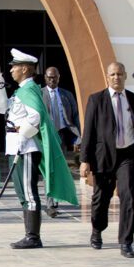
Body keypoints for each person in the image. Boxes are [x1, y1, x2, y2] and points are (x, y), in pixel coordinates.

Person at [0, 48, 77, 249]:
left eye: (14, 67)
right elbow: (2, 109)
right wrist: (0, 88)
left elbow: (36, 116)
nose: (11, 70)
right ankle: (29, 234)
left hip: (27, 148)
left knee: (29, 193)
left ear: (25, 68)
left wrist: (22, 134)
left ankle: (33, 236)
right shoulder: (21, 91)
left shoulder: (29, 90)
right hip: (17, 147)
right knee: (22, 193)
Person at [80, 62, 134, 258]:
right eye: (113, 74)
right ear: (107, 77)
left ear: (125, 76)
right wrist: (84, 160)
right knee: (101, 199)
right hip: (104, 156)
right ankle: (97, 230)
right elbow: (88, 131)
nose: (116, 77)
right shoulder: (96, 100)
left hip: (128, 156)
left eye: (119, 74)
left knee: (129, 197)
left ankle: (126, 242)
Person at [41, 66, 81, 218]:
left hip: (62, 136)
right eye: (50, 77)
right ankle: (50, 204)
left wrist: (78, 137)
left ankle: (55, 200)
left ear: (59, 78)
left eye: (55, 77)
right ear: (45, 78)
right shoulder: (40, 94)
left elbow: (75, 116)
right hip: (46, 136)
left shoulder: (66, 95)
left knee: (59, 169)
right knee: (48, 169)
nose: (52, 80)